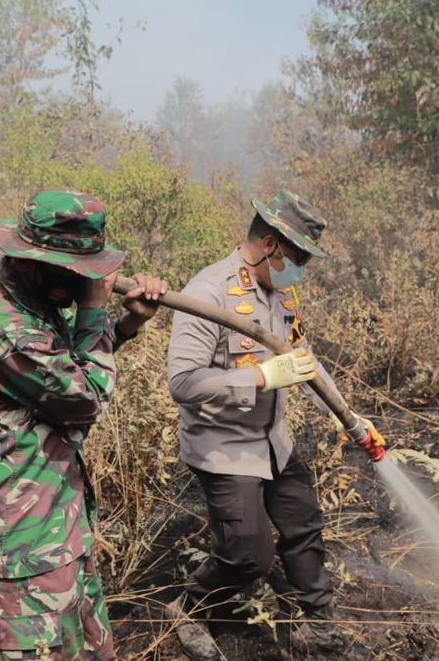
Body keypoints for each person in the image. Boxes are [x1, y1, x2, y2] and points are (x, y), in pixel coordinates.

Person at [166, 190, 378, 657]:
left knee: (304, 524)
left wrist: (351, 419)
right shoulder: (207, 292)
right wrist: (260, 377)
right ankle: (189, 608)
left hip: (272, 441)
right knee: (247, 556)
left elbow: (304, 362)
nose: (299, 270)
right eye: (297, 259)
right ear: (269, 245)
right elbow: (182, 382)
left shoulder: (282, 292)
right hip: (224, 446)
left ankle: (319, 622)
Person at [0, 189, 167, 659]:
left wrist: (125, 325)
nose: (81, 281)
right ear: (30, 261)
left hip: (57, 528)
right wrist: (93, 309)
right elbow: (84, 400)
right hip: (21, 548)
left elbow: (64, 366)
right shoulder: (3, 325)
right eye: (70, 271)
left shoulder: (36, 300)